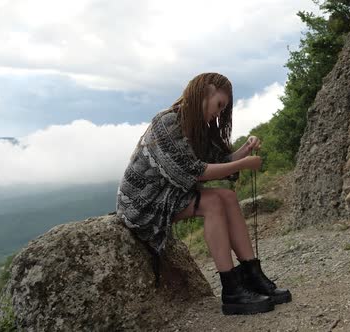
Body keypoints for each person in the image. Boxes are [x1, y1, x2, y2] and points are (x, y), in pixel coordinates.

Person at [115, 72, 291, 315]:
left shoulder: (196, 127)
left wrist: (245, 149)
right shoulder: (167, 123)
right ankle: (232, 291)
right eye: (219, 105)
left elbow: (219, 161)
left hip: (169, 194)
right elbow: (195, 172)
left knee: (226, 197)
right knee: (213, 204)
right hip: (143, 203)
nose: (219, 114)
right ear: (205, 91)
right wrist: (243, 165)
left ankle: (253, 275)